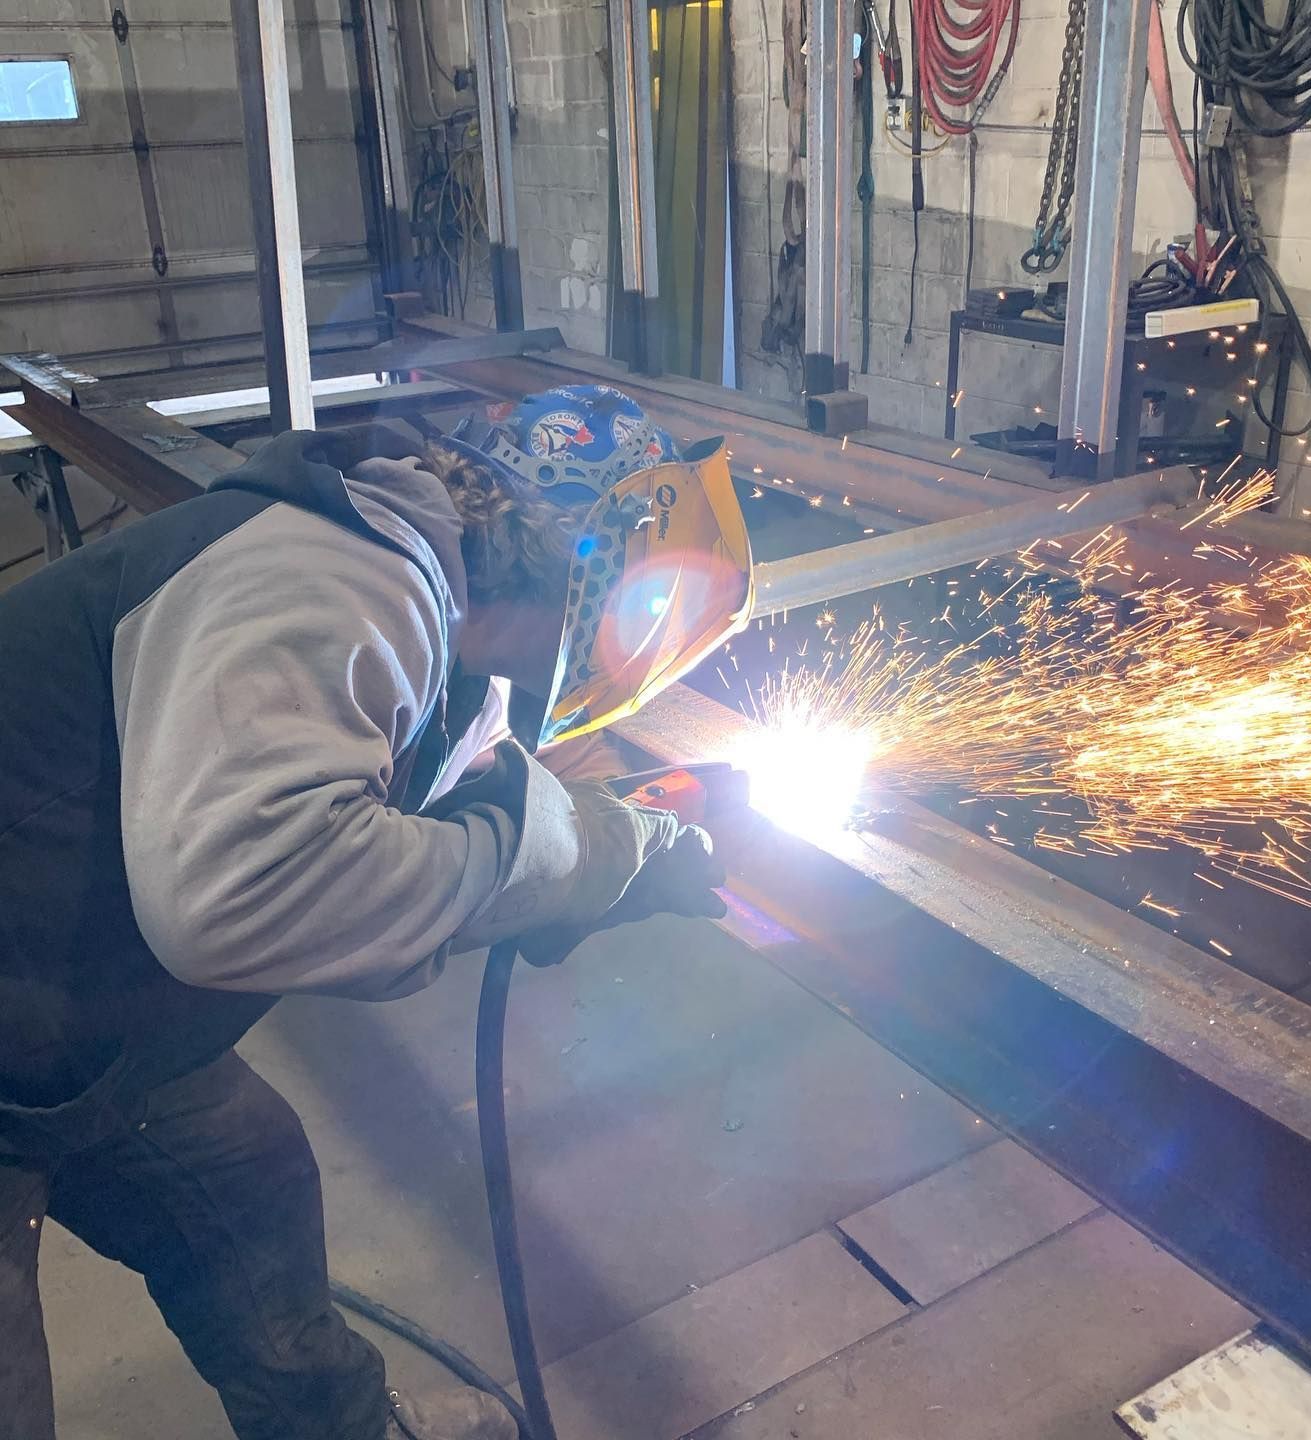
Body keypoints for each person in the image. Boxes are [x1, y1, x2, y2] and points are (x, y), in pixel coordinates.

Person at [0, 385, 753, 1440]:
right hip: (37, 1006)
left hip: (69, 1010)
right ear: (584, 567)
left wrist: (609, 861)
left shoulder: (439, 634)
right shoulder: (345, 580)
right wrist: (558, 857)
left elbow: (455, 819)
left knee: (250, 1187)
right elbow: (240, 894)